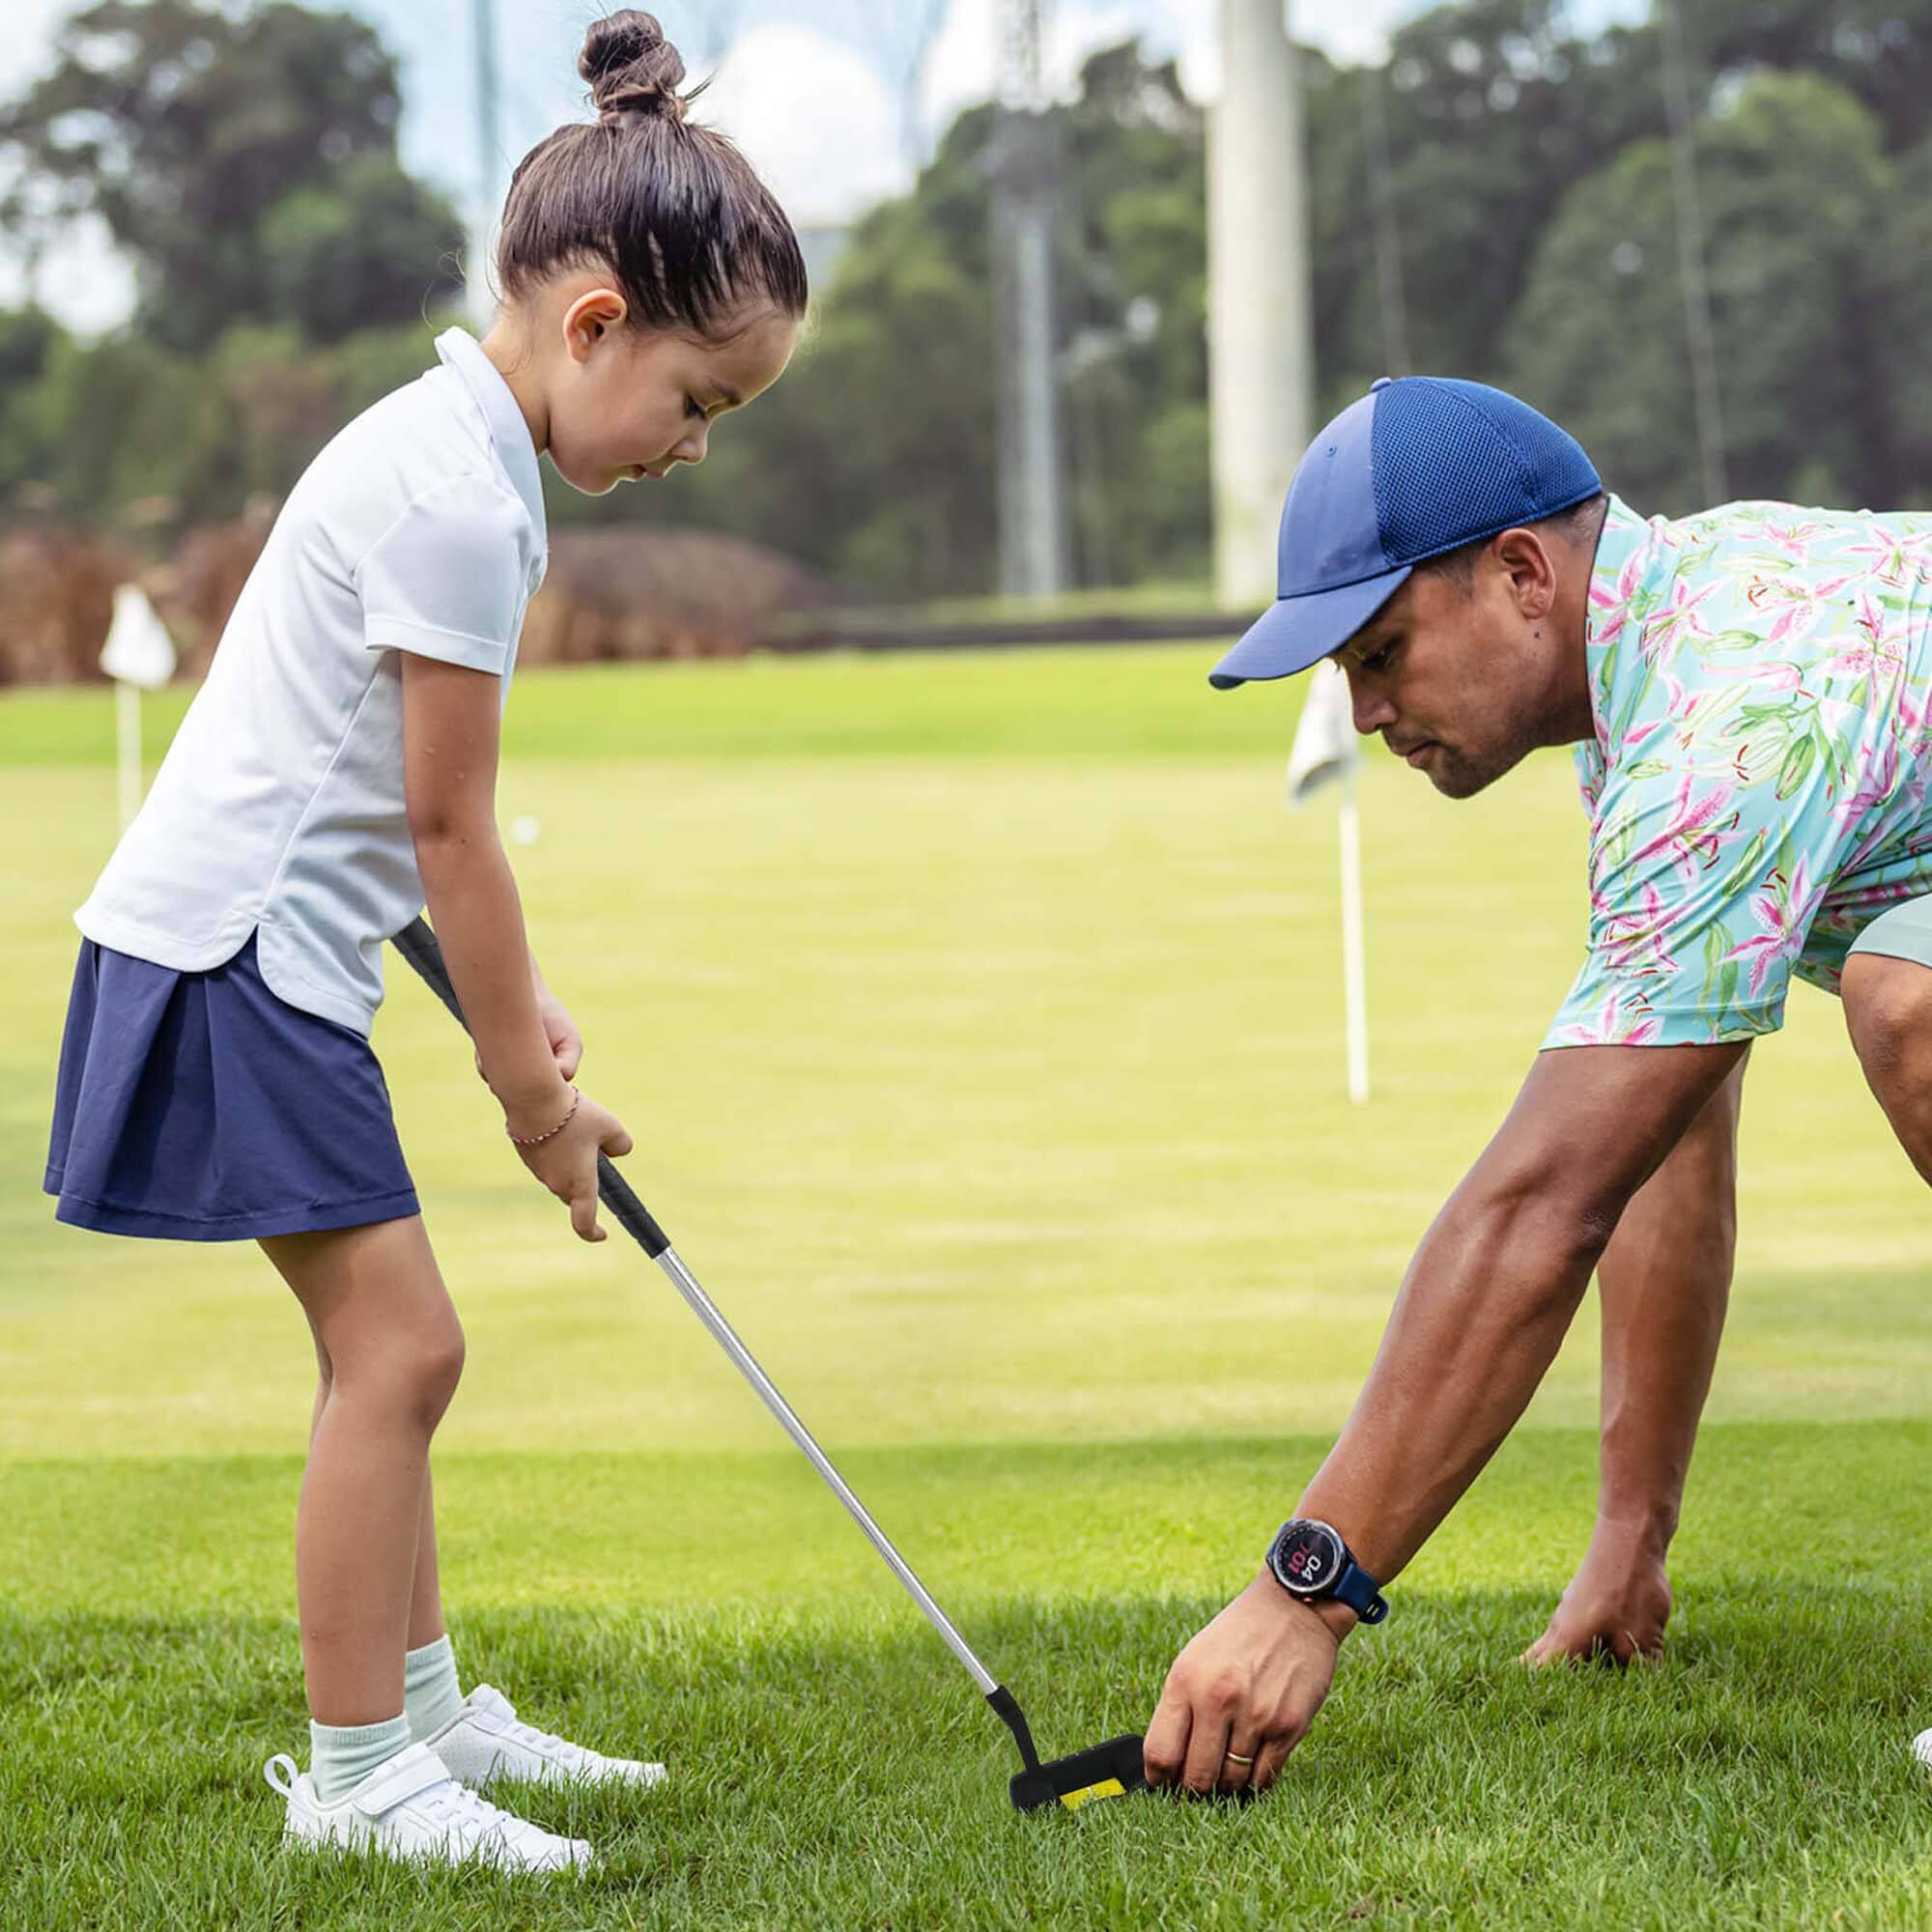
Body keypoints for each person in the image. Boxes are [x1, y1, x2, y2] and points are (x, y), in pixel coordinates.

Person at [43, 11, 803, 1873]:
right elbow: (450, 824)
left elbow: (385, 823)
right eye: (700, 402)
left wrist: (515, 1018)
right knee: (403, 1352)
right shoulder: (461, 503)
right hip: (229, 963)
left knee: (391, 1351)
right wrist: (528, 1101)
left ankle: (428, 1717)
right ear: (597, 325)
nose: (696, 449)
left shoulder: (455, 452)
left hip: (262, 955)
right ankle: (364, 1774)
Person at [1143, 375, 1932, 1797]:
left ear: (1520, 575)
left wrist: (1301, 1595)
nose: (1370, 710)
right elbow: (1659, 1139)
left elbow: (1542, 1209)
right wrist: (1631, 1542)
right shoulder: (1659, 653)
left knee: (1913, 1007)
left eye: (1383, 652)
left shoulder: (1716, 730)